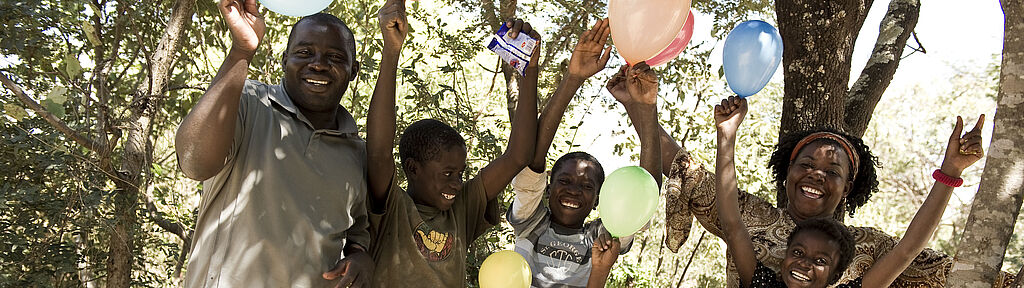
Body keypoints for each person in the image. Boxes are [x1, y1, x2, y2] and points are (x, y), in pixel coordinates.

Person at [174, 0, 388, 286]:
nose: (319, 65)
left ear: (354, 71)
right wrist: (242, 50)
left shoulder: (356, 152)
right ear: (285, 60)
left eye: (335, 58)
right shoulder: (248, 102)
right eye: (304, 52)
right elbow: (194, 162)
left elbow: (356, 234)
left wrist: (360, 257)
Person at [713, 96, 987, 287]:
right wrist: (726, 136)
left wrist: (950, 172)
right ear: (783, 258)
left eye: (820, 260)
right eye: (797, 253)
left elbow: (906, 251)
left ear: (835, 276)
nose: (805, 264)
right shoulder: (763, 284)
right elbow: (733, 224)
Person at [363, 7, 539, 285]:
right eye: (448, 173)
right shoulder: (392, 208)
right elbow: (378, 151)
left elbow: (517, 157)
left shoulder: (460, 211)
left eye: (460, 174)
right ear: (413, 168)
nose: (457, 183)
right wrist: (391, 51)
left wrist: (529, 71)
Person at [505, 19, 662, 288]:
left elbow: (643, 194)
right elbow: (532, 164)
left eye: (587, 186)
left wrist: (646, 109)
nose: (574, 191)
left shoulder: (601, 238)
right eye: (564, 181)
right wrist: (573, 77)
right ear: (548, 186)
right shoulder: (531, 222)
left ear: (599, 199)